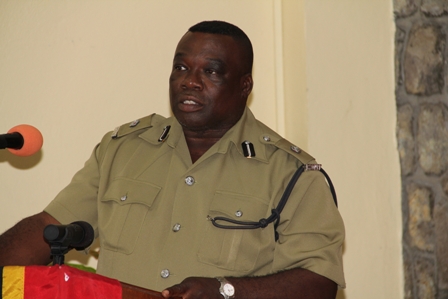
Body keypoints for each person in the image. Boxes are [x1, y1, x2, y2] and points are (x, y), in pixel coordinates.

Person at [0, 21, 345, 299]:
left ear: (244, 86)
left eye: (211, 72)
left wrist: (227, 290)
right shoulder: (122, 151)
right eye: (181, 67)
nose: (189, 82)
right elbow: (46, 231)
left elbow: (318, 283)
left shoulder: (291, 174)